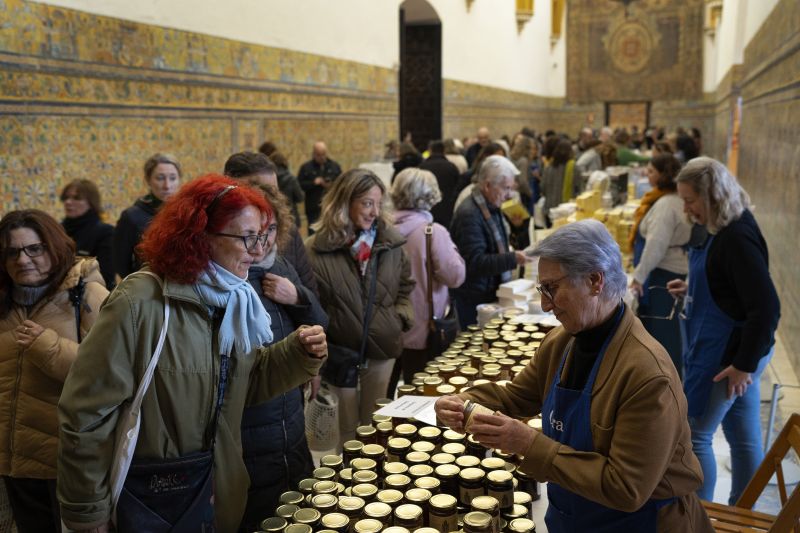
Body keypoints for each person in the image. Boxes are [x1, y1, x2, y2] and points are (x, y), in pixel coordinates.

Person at [57, 175, 328, 532]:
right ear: (200, 236)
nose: (259, 251)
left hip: (214, 488)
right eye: (247, 237)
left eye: (262, 236)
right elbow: (87, 413)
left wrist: (297, 355)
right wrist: (87, 514)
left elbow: (239, 387)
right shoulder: (141, 303)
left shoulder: (234, 298)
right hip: (153, 494)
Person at [435, 219, 714, 532]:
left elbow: (626, 488)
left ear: (595, 281)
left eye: (552, 289)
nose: (544, 305)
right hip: (575, 514)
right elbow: (518, 395)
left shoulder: (648, 375)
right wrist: (463, 402)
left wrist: (529, 443)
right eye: (542, 289)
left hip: (640, 523)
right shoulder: (563, 340)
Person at [668, 157, 780, 505]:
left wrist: (743, 365)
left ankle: (699, 517)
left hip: (729, 357)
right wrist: (694, 289)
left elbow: (767, 308)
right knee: (743, 437)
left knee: (695, 435)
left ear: (712, 195)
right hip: (741, 350)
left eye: (690, 200)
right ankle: (744, 512)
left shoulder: (736, 238)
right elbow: (733, 288)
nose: (686, 209)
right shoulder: (728, 225)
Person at [0, 210, 108, 533]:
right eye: (12, 252)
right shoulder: (4, 302)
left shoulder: (87, 295)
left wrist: (46, 346)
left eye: (34, 249)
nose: (23, 260)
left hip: (70, 461)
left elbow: (107, 376)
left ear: (55, 247)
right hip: (15, 460)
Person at [239, 185, 328, 531]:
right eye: (255, 233)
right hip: (252, 423)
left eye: (271, 230)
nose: (263, 242)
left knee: (297, 504)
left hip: (290, 411)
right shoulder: (229, 279)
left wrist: (298, 296)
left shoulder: (285, 265)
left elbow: (321, 320)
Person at [306, 168, 414, 448]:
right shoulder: (316, 250)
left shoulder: (390, 243)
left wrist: (398, 319)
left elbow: (405, 286)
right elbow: (310, 304)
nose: (374, 212)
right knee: (347, 433)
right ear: (344, 202)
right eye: (367, 203)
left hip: (382, 349)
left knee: (377, 427)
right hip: (340, 353)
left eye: (379, 204)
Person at [386, 168, 465, 395]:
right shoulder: (432, 232)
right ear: (431, 196)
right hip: (423, 329)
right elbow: (456, 276)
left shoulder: (383, 230)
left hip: (388, 328)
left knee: (387, 394)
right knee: (423, 394)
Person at [628, 154, 691, 374]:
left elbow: (656, 245)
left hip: (664, 275)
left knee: (663, 333)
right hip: (670, 271)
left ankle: (664, 380)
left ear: (664, 175)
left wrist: (638, 277)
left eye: (652, 171)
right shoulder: (670, 199)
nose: (647, 174)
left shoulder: (666, 204)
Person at [450, 155, 529, 328]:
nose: (509, 195)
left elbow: (495, 245)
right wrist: (513, 258)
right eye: (505, 188)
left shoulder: (490, 206)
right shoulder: (470, 214)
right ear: (487, 185)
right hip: (474, 297)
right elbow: (475, 262)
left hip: (487, 291)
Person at [224, 151, 318, 295]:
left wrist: (297, 296)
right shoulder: (216, 236)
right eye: (256, 189)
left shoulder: (289, 233)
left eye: (272, 191)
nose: (266, 198)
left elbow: (312, 295)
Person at [112, 152, 181, 281]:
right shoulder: (131, 217)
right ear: (148, 180)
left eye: (172, 178)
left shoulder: (185, 213)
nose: (167, 185)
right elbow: (121, 264)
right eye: (160, 178)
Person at [60, 179, 115, 289]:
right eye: (66, 197)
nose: (68, 202)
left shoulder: (105, 232)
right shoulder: (58, 230)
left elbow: (105, 276)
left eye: (76, 198)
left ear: (91, 203)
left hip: (92, 295)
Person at [297, 141, 342, 232]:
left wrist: (331, 185)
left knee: (331, 233)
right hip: (313, 207)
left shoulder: (334, 166)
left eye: (323, 154)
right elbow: (299, 185)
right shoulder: (306, 168)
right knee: (313, 234)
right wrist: (313, 183)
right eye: (319, 155)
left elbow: (342, 183)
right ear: (314, 154)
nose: (322, 157)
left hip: (331, 206)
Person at [419, 140, 461, 229]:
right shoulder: (451, 166)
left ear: (430, 150)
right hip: (447, 208)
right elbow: (457, 187)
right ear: (444, 151)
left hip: (428, 208)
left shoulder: (423, 166)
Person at [541, 139, 576, 223]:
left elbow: (542, 188)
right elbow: (578, 189)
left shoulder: (548, 168)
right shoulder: (574, 167)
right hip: (566, 211)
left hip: (549, 210)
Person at [270, 151, 305, 228]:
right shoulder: (291, 179)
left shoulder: (269, 179)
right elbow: (300, 198)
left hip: (275, 216)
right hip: (291, 215)